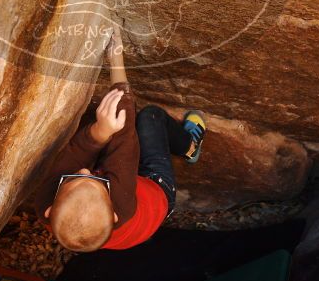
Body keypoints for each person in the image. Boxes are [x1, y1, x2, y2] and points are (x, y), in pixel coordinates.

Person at [34, 27, 207, 252]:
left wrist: (99, 134)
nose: (85, 171)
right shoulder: (123, 203)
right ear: (115, 214)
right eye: (98, 181)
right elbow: (124, 136)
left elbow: (76, 157)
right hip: (158, 191)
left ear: (49, 211)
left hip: (133, 224)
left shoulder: (49, 205)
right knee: (150, 116)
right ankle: (190, 147)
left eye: (73, 178)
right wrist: (116, 57)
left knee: (104, 147)